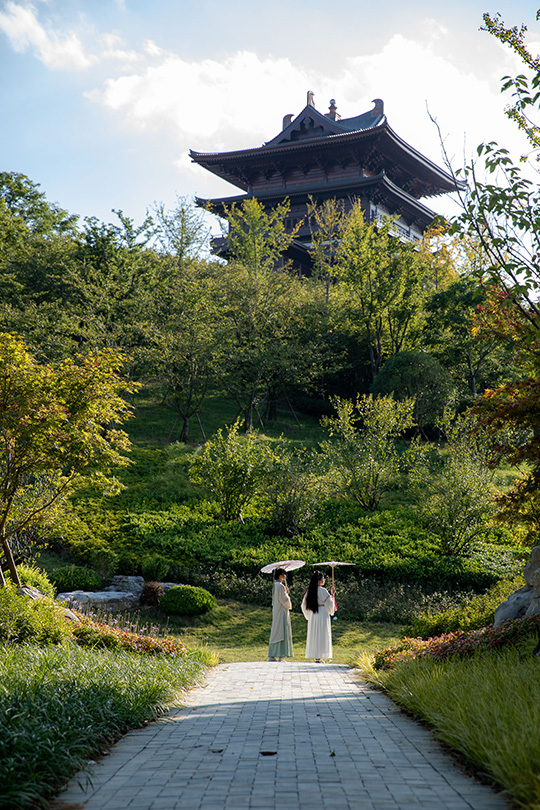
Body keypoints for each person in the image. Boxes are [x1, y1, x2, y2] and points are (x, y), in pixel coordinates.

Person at [301, 570, 335, 662]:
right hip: (322, 614)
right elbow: (330, 604)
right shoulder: (323, 591)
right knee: (322, 634)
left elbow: (303, 605)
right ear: (319, 580)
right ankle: (319, 656)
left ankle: (316, 656)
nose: (324, 580)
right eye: (323, 578)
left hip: (313, 614)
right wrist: (332, 594)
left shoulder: (310, 591)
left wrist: (308, 615)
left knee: (314, 634)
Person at [267, 567, 293, 662]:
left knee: (276, 630)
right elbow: (285, 600)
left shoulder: (275, 586)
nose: (285, 576)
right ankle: (281, 656)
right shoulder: (280, 586)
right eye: (283, 574)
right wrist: (287, 594)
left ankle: (272, 655)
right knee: (282, 630)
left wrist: (285, 592)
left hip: (277, 610)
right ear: (280, 575)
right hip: (282, 611)